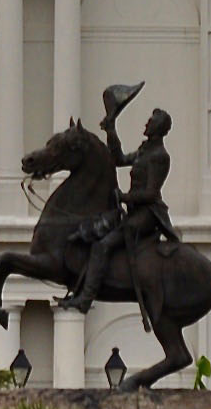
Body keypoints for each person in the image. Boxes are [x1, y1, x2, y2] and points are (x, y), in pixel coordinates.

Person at [60, 99, 180, 314]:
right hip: (134, 210)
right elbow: (119, 158)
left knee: (102, 245)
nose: (146, 124)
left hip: (148, 214)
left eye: (151, 122)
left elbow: (151, 193)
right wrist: (111, 130)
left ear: (159, 129)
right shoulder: (145, 151)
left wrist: (124, 197)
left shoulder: (160, 156)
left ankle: (86, 298)